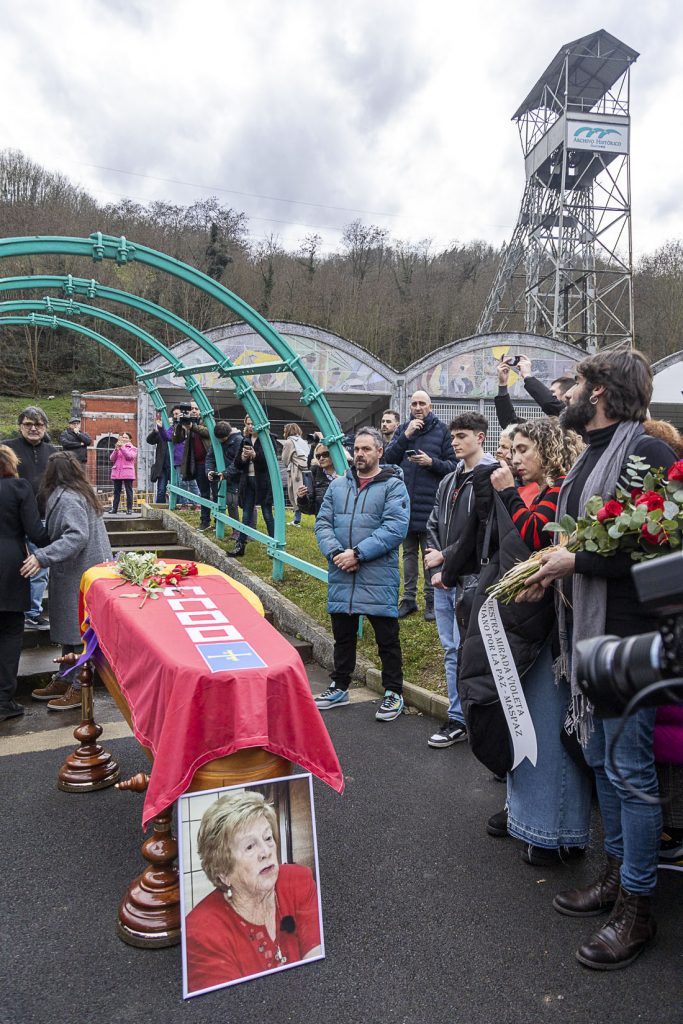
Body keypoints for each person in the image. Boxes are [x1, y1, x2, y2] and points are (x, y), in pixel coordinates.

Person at [518, 350, 677, 970]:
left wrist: (575, 563)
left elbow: (660, 561)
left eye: (579, 383)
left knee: (630, 770)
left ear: (603, 391)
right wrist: (551, 572)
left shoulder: (650, 455)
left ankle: (638, 910)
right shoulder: (591, 451)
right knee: (601, 759)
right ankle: (615, 875)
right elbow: (580, 542)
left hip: (631, 637)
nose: (569, 394)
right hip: (588, 629)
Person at [483, 419, 590, 864]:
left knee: (549, 725)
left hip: (555, 629)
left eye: (525, 449)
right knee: (530, 722)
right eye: (515, 449)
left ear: (548, 450)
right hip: (535, 621)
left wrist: (507, 492)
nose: (516, 457)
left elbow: (532, 535)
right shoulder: (552, 489)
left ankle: (556, 833)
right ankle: (534, 823)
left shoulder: (561, 490)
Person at [313, 426, 410, 722]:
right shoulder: (338, 485)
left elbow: (395, 528)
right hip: (343, 573)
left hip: (377, 574)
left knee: (387, 640)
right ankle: (340, 684)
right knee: (343, 636)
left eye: (366, 449)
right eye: (356, 449)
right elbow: (322, 524)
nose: (360, 454)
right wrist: (336, 554)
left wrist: (357, 553)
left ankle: (394, 692)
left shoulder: (393, 485)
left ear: (380, 452)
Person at [185, 790, 321, 992]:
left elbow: (319, 964)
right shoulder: (201, 931)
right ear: (223, 872)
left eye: (268, 838)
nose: (266, 852)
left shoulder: (298, 879)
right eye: (250, 847)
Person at [424, 414, 497, 748]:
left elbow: (484, 533)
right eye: (452, 436)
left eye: (462, 435)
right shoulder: (450, 479)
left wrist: (446, 558)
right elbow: (433, 522)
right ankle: (457, 718)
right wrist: (434, 557)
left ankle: (476, 717)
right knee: (451, 649)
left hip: (470, 579)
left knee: (471, 650)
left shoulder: (490, 476)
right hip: (444, 578)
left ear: (481, 438)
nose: (454, 441)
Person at [20, 452, 113, 711]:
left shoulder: (69, 498)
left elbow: (76, 536)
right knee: (74, 630)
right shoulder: (79, 492)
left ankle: (78, 685)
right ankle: (65, 676)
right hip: (80, 571)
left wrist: (43, 556)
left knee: (78, 631)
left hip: (79, 573)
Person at [384, 390, 458, 620]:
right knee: (407, 554)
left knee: (429, 554)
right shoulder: (404, 429)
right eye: (414, 403)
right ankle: (408, 599)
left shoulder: (442, 431)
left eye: (422, 403)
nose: (418, 407)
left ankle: (431, 601)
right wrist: (405, 435)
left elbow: (454, 465)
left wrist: (430, 462)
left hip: (430, 505)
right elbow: (388, 459)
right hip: (405, 503)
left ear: (430, 406)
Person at [0, 445, 49, 722]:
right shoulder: (18, 487)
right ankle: (4, 700)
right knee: (8, 635)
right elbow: (37, 534)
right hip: (9, 566)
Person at [3, 405, 57, 630]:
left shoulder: (52, 451)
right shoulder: (8, 448)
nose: (33, 428)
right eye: (28, 424)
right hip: (11, 519)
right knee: (11, 565)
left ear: (45, 427)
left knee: (39, 568)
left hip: (42, 517)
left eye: (39, 424)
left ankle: (32, 612)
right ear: (20, 426)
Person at [227, 415, 275, 557]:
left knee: (267, 513)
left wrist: (255, 455)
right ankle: (240, 545)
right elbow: (237, 463)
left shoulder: (269, 439)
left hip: (263, 481)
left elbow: (270, 462)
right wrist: (243, 457)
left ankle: (273, 546)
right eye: (248, 424)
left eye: (253, 423)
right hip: (248, 480)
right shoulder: (245, 440)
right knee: (246, 513)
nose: (251, 426)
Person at [494, 356, 573, 429]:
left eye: (552, 392)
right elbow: (511, 425)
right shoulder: (545, 431)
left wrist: (527, 376)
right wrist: (502, 385)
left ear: (567, 395)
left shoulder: (574, 420)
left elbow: (549, 403)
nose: (549, 395)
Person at [174, 400, 212, 528]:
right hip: (198, 464)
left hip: (211, 463)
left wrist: (192, 426)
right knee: (204, 492)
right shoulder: (188, 423)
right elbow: (177, 439)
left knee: (216, 493)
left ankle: (218, 521)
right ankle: (205, 521)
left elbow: (209, 432)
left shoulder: (207, 420)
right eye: (192, 409)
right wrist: (180, 424)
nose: (194, 411)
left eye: (197, 408)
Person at [206, 420, 243, 537]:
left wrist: (225, 474)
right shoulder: (216, 441)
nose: (221, 441)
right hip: (219, 476)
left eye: (223, 438)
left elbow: (238, 462)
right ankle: (220, 525)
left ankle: (237, 530)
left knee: (232, 502)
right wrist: (209, 471)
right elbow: (210, 457)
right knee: (218, 500)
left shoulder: (238, 441)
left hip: (233, 477)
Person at [296, 442, 337, 517]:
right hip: (323, 521)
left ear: (334, 453)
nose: (321, 458)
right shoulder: (314, 474)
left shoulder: (347, 472)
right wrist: (302, 498)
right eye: (318, 456)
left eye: (325, 454)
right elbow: (309, 509)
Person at [280, 423, 309, 528]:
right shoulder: (303, 441)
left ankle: (297, 520)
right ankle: (298, 520)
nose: (283, 432)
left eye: (284, 430)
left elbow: (285, 459)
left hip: (296, 472)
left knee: (294, 494)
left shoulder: (289, 442)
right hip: (305, 471)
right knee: (304, 494)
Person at [108, 432, 137, 514]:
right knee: (116, 491)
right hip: (117, 472)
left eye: (126, 437)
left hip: (127, 472)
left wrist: (122, 447)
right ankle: (114, 509)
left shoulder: (133, 448)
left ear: (130, 439)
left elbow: (129, 457)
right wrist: (116, 450)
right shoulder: (119, 447)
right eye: (123, 437)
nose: (124, 439)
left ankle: (129, 509)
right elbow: (112, 458)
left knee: (128, 491)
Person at [146, 415, 172, 504]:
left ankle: (176, 506)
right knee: (161, 490)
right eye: (168, 423)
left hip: (174, 468)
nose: (170, 425)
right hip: (162, 468)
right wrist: (155, 431)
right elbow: (149, 440)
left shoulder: (177, 434)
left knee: (176, 489)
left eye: (171, 423)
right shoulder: (161, 435)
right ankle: (160, 507)